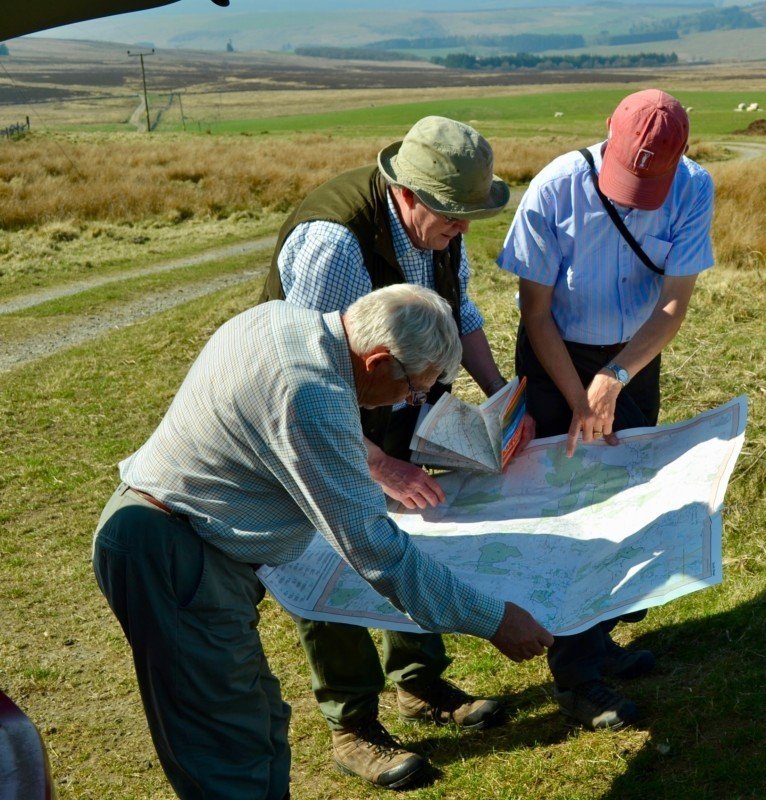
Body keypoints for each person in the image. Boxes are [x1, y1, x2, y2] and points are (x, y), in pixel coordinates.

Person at [92, 284, 553, 799]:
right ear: (378, 362)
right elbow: (377, 551)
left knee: (259, 719)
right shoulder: (312, 394)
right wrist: (493, 619)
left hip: (183, 539)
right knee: (228, 751)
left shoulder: (280, 319)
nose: (409, 402)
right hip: (174, 552)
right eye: (413, 390)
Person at [260, 116, 534, 787]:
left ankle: (419, 682)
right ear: (409, 194)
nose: (464, 228)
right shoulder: (336, 245)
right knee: (336, 548)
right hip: (319, 412)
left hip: (395, 393)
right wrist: (379, 465)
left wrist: (503, 397)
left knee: (419, 526)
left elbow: (460, 312)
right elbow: (305, 378)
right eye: (455, 214)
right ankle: (352, 725)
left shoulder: (439, 229)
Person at [497, 89, 715, 730]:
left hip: (633, 356)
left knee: (623, 498)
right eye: (627, 178)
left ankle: (595, 641)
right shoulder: (555, 188)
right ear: (605, 139)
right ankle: (576, 675)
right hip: (556, 355)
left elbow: (674, 302)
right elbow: (534, 313)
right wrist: (576, 397)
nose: (635, 193)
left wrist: (617, 376)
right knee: (568, 508)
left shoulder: (694, 188)